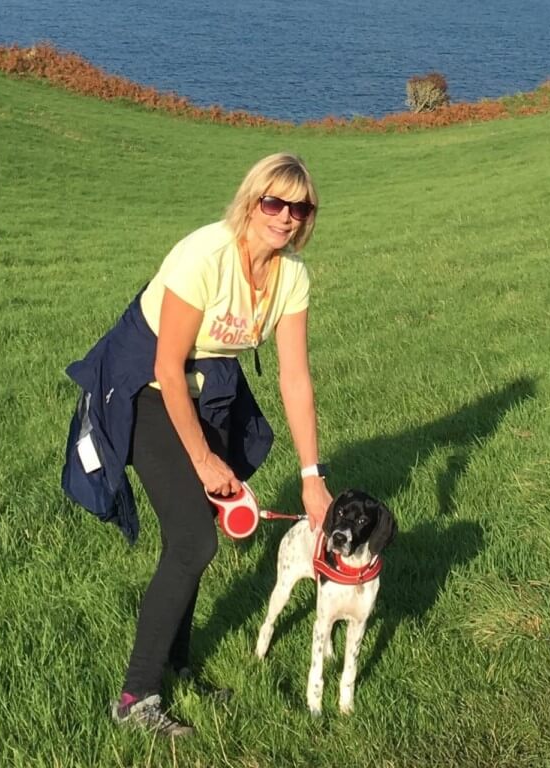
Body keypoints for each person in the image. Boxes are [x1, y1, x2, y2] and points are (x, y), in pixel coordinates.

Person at [61, 152, 332, 736]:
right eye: (273, 202)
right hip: (145, 388)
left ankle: (176, 665)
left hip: (204, 389)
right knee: (192, 541)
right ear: (251, 200)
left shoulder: (291, 277)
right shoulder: (204, 255)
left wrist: (313, 478)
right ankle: (136, 698)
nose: (284, 217)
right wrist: (205, 460)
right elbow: (165, 359)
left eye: (298, 207)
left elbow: (294, 378)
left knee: (193, 541)